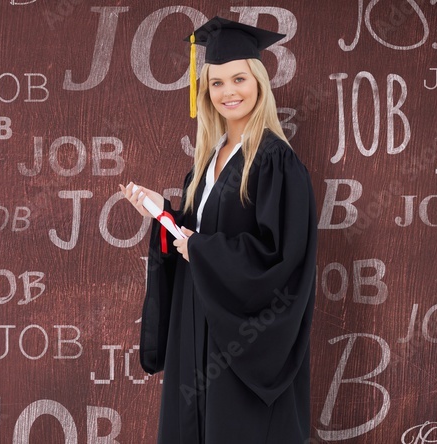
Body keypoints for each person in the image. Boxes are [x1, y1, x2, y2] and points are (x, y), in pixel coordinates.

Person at [118, 17, 318, 444]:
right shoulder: (205, 164)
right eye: (217, 83)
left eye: (239, 79)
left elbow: (284, 259)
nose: (229, 92)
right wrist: (165, 213)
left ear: (260, 83)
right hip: (197, 323)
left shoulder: (275, 162)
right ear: (205, 92)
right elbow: (194, 238)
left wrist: (205, 252)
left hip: (240, 339)